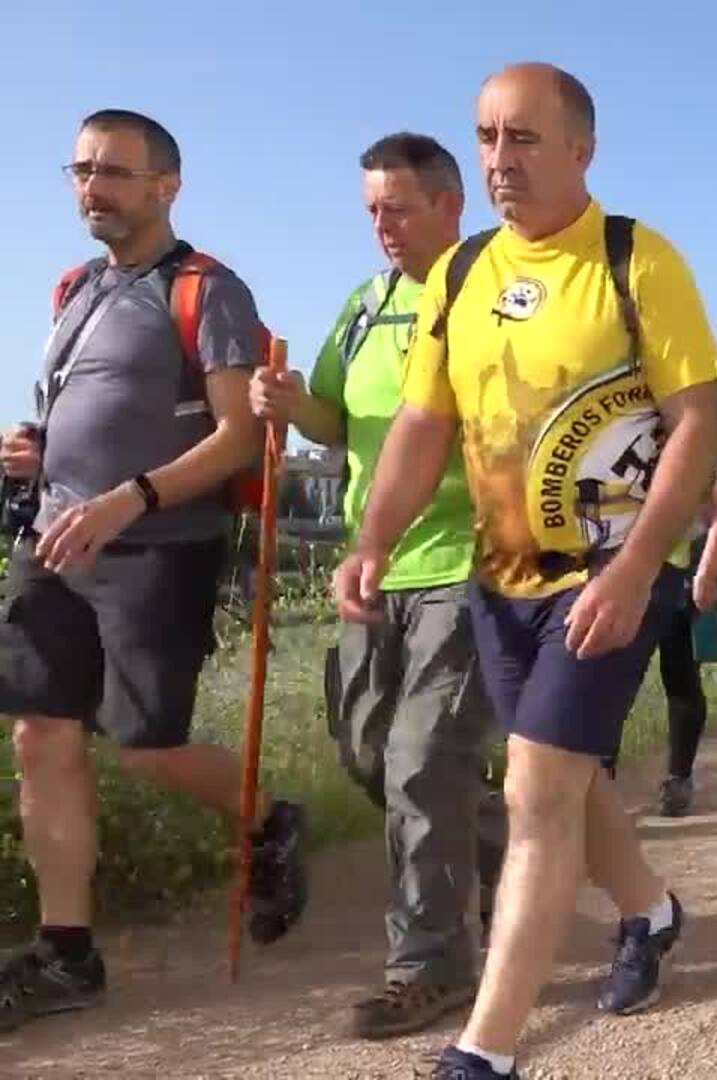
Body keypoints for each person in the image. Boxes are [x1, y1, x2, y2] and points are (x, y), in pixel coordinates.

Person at [331, 64, 717, 1080]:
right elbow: (424, 424)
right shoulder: (459, 276)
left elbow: (698, 424)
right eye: (487, 138)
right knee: (561, 775)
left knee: (539, 792)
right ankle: (652, 909)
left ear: (582, 150)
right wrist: (373, 541)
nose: (501, 160)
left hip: (607, 579)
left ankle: (487, 1052)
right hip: (499, 579)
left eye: (524, 139)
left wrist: (640, 569)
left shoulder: (637, 260)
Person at [0, 109, 309, 1034]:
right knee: (41, 738)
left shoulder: (206, 289)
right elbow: (92, 410)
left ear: (165, 186)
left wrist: (131, 496)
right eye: (82, 169)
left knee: (145, 744)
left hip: (155, 546)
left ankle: (267, 819)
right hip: (54, 538)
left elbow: (238, 436)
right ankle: (68, 955)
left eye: (115, 173)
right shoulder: (74, 287)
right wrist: (37, 447)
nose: (93, 187)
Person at [248, 131, 508, 1040]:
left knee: (421, 758)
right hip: (374, 562)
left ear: (450, 205)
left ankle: (429, 966)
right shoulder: (363, 306)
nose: (382, 226)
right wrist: (288, 405)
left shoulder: (491, 297)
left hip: (467, 563)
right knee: (367, 747)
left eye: (398, 207)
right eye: (371, 210)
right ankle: (497, 845)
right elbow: (336, 416)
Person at [654, 462, 717, 817]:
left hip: (681, 568)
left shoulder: (694, 418)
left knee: (679, 673)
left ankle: (679, 778)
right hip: (617, 564)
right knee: (611, 681)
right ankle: (599, 774)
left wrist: (706, 570)